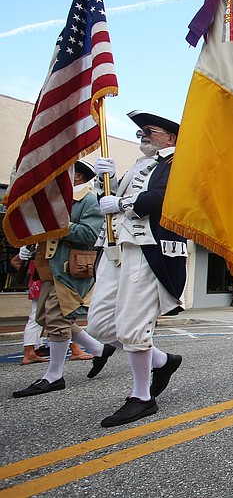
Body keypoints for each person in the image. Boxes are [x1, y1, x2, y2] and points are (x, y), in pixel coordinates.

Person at [86, 111, 187, 427]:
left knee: (132, 326)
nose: (143, 135)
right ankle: (162, 361)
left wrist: (122, 202)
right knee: (100, 324)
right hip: (116, 247)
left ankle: (142, 397)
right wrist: (109, 181)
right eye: (140, 132)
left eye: (149, 131)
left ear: (170, 138)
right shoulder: (141, 165)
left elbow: (160, 198)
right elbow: (116, 200)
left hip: (147, 249)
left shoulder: (177, 163)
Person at [12, 161, 108, 398]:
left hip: (68, 269)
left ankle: (54, 376)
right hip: (47, 268)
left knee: (57, 319)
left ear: (78, 177)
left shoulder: (87, 200)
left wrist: (62, 224)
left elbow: (89, 233)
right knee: (45, 316)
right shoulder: (55, 201)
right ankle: (98, 348)